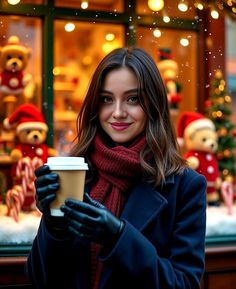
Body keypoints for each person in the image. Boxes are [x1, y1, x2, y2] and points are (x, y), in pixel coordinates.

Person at [25, 47, 207, 289]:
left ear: (153, 104)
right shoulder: (78, 172)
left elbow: (182, 284)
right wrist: (54, 226)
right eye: (107, 99)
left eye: (133, 99)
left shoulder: (185, 185)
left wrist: (118, 236)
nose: (118, 112)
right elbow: (40, 279)